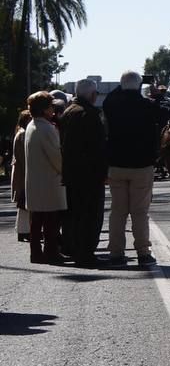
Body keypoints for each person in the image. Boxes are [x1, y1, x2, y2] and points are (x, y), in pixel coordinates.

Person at [101, 70, 163, 265]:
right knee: (139, 212)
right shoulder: (147, 105)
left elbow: (109, 98)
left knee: (118, 211)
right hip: (142, 165)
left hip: (117, 164)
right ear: (138, 87)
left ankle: (116, 253)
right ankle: (143, 252)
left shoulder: (111, 104)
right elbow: (164, 113)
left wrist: (125, 85)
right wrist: (152, 92)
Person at [60, 78, 108, 266]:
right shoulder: (89, 114)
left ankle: (72, 248)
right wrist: (103, 172)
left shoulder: (68, 112)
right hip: (88, 175)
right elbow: (98, 148)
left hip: (70, 173)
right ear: (92, 95)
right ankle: (86, 253)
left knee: (72, 215)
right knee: (90, 216)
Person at [23, 91, 66, 264]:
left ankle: (36, 253)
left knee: (36, 221)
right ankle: (51, 252)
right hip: (49, 180)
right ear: (44, 109)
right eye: (50, 106)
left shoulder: (31, 125)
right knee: (51, 221)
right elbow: (55, 156)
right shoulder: (47, 128)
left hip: (35, 180)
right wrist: (64, 171)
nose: (52, 109)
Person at [11, 110, 32, 242]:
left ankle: (23, 230)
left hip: (20, 172)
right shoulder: (24, 134)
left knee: (23, 204)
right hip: (23, 172)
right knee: (24, 203)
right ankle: (24, 231)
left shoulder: (19, 132)